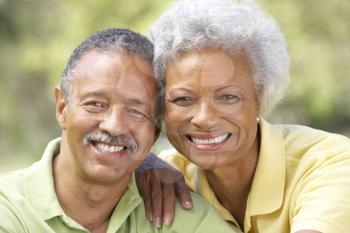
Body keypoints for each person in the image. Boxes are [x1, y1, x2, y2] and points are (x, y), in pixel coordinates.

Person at [136, 0, 350, 232]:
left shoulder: (330, 161)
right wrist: (140, 166)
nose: (205, 119)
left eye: (228, 97)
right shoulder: (166, 178)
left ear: (260, 98)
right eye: (183, 99)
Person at [0, 28, 237, 233]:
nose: (113, 126)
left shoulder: (184, 217)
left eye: (135, 111)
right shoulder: (8, 210)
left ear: (154, 131)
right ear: (62, 108)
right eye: (96, 104)